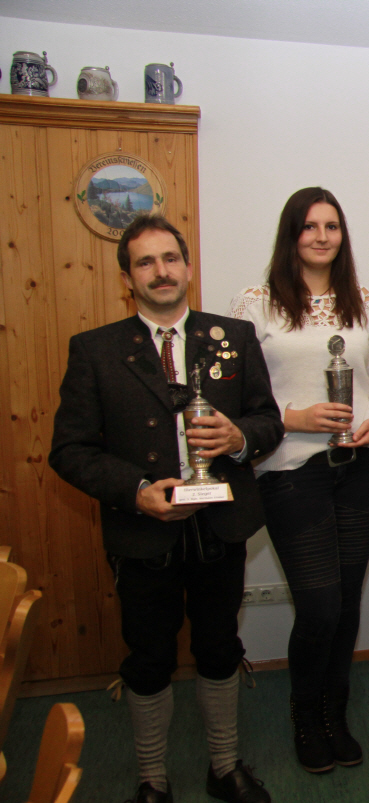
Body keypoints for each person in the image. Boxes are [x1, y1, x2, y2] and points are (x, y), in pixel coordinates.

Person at [49, 215, 282, 803]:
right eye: (145, 262)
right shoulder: (95, 350)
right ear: (127, 277)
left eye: (170, 258)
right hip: (141, 534)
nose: (161, 271)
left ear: (188, 266)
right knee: (148, 656)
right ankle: (152, 779)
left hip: (220, 528)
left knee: (220, 646)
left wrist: (239, 438)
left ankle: (224, 766)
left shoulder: (233, 336)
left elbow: (268, 421)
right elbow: (70, 450)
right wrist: (136, 491)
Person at [229, 187, 369, 773]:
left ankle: (335, 714)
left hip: (360, 466)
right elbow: (238, 393)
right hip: (288, 470)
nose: (322, 236)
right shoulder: (256, 304)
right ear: (291, 235)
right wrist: (294, 418)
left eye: (331, 226)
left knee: (346, 604)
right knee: (320, 606)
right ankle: (305, 717)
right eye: (309, 226)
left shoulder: (364, 302)